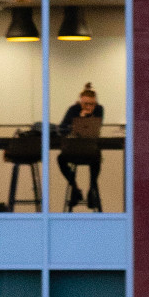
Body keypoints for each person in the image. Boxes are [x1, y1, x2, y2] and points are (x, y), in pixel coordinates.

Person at [56, 82, 105, 210]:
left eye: (92, 104)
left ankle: (91, 190)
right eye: (85, 104)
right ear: (80, 102)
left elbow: (97, 127)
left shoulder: (99, 109)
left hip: (90, 147)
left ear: (95, 103)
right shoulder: (73, 109)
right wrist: (78, 119)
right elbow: (62, 129)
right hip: (74, 147)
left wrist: (88, 118)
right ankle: (75, 187)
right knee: (61, 159)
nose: (89, 106)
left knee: (96, 158)